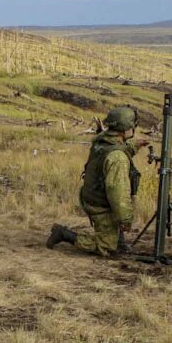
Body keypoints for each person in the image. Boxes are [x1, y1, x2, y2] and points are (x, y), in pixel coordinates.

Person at [47, 106, 140, 255]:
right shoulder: (117, 157)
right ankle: (64, 234)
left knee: (115, 240)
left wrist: (136, 145)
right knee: (106, 247)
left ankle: (118, 241)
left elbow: (118, 147)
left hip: (92, 196)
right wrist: (126, 219)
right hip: (101, 205)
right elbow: (118, 193)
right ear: (126, 129)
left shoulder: (102, 141)